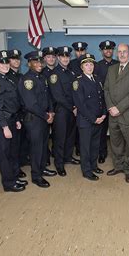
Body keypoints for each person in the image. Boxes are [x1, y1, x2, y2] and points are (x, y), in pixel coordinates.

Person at [0, 50, 27, 192]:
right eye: (1, 63)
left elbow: (13, 103)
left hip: (12, 119)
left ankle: (15, 176)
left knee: (13, 152)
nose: (5, 65)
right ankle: (8, 183)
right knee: (4, 154)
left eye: (6, 62)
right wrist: (4, 127)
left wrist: (16, 119)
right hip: (2, 123)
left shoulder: (8, 79)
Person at [104, 43, 129, 183]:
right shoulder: (111, 69)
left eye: (124, 51)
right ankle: (118, 166)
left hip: (126, 113)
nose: (121, 54)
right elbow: (106, 89)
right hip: (112, 114)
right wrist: (110, 107)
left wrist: (118, 108)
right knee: (115, 142)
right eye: (119, 52)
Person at [17, 50, 56, 188]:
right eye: (36, 61)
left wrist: (51, 111)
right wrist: (46, 116)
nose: (40, 64)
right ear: (29, 64)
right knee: (36, 148)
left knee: (44, 146)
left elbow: (48, 97)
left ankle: (42, 168)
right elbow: (31, 104)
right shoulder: (27, 80)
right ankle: (36, 176)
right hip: (34, 120)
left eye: (41, 61)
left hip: (44, 118)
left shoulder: (42, 78)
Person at [72, 54, 107, 181]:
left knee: (95, 145)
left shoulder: (97, 79)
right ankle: (86, 171)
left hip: (99, 119)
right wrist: (94, 118)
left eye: (91, 64)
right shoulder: (78, 82)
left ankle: (94, 165)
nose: (90, 66)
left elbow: (101, 99)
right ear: (82, 67)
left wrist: (103, 114)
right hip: (86, 121)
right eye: (86, 64)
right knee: (85, 147)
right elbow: (80, 105)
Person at [48, 46, 80, 177]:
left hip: (73, 110)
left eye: (67, 56)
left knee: (70, 136)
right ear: (58, 58)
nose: (65, 59)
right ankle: (59, 164)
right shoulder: (54, 74)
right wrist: (72, 107)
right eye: (63, 56)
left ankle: (68, 157)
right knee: (60, 138)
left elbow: (75, 92)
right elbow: (58, 96)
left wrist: (76, 106)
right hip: (62, 111)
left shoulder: (71, 73)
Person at [95, 40, 119, 164]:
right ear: (102, 51)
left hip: (117, 104)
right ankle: (102, 153)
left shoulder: (119, 64)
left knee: (117, 132)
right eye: (105, 49)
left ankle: (118, 155)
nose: (108, 51)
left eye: (110, 49)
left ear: (113, 50)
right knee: (102, 131)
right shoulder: (97, 66)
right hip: (103, 104)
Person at [6, 49, 28, 176]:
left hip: (22, 113)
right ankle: (14, 169)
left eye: (18, 59)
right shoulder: (6, 77)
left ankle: (22, 161)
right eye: (13, 59)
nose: (16, 61)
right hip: (11, 115)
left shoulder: (21, 77)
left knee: (22, 140)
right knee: (12, 146)